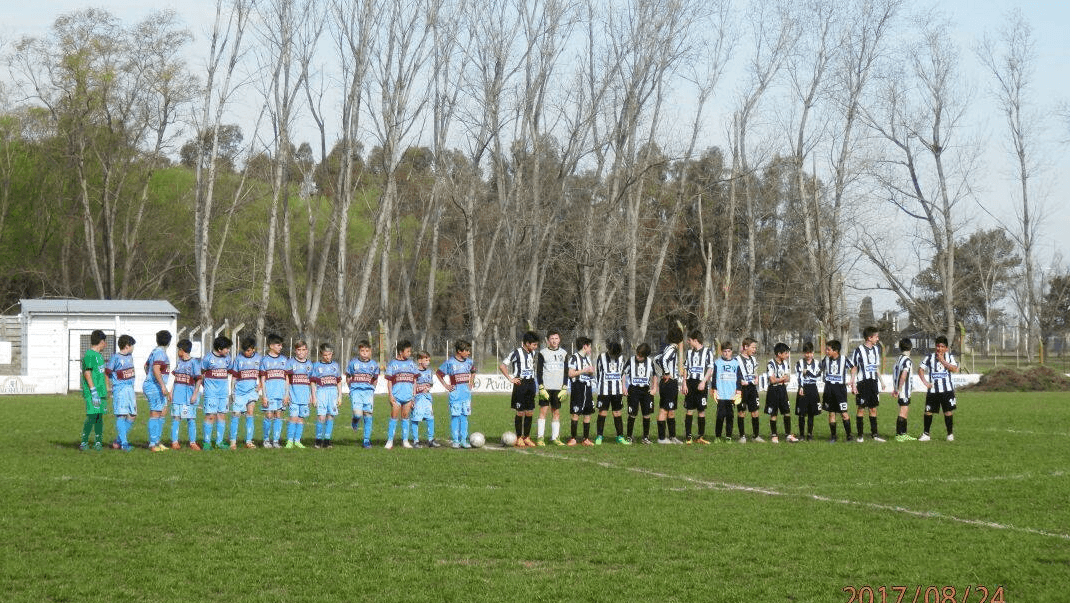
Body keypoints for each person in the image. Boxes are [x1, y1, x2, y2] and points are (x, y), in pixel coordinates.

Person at [500, 330, 540, 447]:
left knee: (530, 411)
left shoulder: (533, 353)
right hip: (520, 384)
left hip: (531, 383)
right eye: (534, 345)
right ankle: (518, 437)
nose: (536, 347)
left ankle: (526, 437)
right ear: (527, 343)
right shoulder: (516, 353)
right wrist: (510, 378)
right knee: (520, 411)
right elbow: (502, 366)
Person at [917, 335, 959, 442]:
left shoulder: (950, 357)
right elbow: (920, 369)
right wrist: (925, 383)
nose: (939, 349)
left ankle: (950, 434)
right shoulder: (929, 357)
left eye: (942, 347)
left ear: (946, 348)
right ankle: (926, 434)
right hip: (933, 391)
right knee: (928, 411)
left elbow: (955, 369)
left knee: (948, 412)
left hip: (947, 390)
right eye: (938, 346)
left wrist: (942, 361)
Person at [849, 326, 885, 442]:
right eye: (876, 337)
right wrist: (853, 384)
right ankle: (860, 436)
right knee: (861, 408)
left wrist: (881, 381)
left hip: (873, 382)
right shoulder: (858, 350)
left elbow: (876, 367)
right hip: (862, 383)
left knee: (873, 408)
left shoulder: (876, 349)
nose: (877, 339)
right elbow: (854, 367)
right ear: (869, 338)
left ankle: (875, 435)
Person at [437, 340, 474, 449]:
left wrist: (471, 382)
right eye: (466, 351)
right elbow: (439, 373)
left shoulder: (469, 362)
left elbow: (473, 371)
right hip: (455, 395)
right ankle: (455, 441)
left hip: (466, 395)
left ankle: (463, 440)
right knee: (455, 417)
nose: (469, 353)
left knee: (464, 418)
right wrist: (446, 385)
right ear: (459, 351)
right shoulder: (450, 363)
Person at [535, 331, 569, 446]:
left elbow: (566, 371)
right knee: (543, 412)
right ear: (548, 340)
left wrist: (564, 387)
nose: (554, 340)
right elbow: (539, 371)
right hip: (546, 388)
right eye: (552, 338)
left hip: (558, 388)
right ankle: (540, 438)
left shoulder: (564, 353)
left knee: (556, 413)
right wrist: (541, 387)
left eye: (556, 338)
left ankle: (555, 438)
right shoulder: (543, 353)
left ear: (559, 339)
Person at [385, 339, 419, 449]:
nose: (410, 353)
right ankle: (390, 440)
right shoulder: (393, 364)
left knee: (405, 417)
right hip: (396, 397)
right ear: (400, 352)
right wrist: (390, 395)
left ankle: (405, 440)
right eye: (407, 351)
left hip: (408, 397)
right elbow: (389, 381)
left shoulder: (412, 364)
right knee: (394, 416)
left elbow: (415, 380)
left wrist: (413, 396)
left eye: (410, 351)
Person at [200, 335, 233, 450]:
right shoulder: (208, 358)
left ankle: (219, 442)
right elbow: (201, 373)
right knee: (210, 416)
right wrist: (205, 386)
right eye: (227, 348)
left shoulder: (227, 358)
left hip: (223, 393)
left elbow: (230, 371)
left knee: (222, 416)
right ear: (219, 349)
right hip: (211, 393)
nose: (228, 351)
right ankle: (206, 443)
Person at [169, 339, 203, 450]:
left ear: (182, 350)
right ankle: (174, 442)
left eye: (178, 350)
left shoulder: (194, 363)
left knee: (190, 419)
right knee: (176, 418)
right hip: (177, 396)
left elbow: (198, 379)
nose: (177, 352)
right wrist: (171, 391)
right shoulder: (179, 362)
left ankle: (192, 442)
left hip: (188, 397)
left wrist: (195, 394)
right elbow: (176, 379)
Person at [105, 334, 137, 451]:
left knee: (132, 415)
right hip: (120, 390)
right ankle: (124, 443)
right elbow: (107, 372)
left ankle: (118, 441)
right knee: (121, 415)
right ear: (127, 346)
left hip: (130, 390)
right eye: (132, 345)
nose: (133, 348)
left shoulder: (130, 356)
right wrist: (108, 387)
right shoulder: (115, 358)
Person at [346, 340, 380, 449]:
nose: (364, 353)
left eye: (367, 351)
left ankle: (366, 440)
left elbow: (375, 378)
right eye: (362, 351)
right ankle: (355, 420)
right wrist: (351, 388)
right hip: (356, 391)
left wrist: (373, 389)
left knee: (368, 414)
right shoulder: (353, 363)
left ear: (370, 352)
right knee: (357, 414)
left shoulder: (374, 364)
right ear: (359, 351)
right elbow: (348, 377)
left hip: (368, 392)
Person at [594, 340, 629, 445]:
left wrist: (623, 387)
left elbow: (622, 373)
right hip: (604, 391)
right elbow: (598, 373)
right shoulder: (601, 357)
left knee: (617, 413)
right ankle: (599, 436)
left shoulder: (621, 358)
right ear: (609, 350)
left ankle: (620, 437)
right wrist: (600, 388)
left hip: (617, 391)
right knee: (602, 412)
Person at [229, 337, 261, 449]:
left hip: (252, 391)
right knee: (236, 414)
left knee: (250, 413)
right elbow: (234, 377)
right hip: (239, 392)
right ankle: (233, 441)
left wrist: (260, 386)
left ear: (253, 349)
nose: (246, 352)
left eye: (248, 350)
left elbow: (262, 375)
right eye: (245, 351)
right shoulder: (238, 359)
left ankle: (249, 441)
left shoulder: (258, 358)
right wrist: (232, 392)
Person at [682, 330, 714, 444]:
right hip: (690, 383)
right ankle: (688, 437)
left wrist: (703, 382)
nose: (688, 342)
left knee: (701, 410)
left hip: (701, 383)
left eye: (690, 340)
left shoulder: (707, 352)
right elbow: (686, 368)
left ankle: (700, 436)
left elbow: (710, 368)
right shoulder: (689, 352)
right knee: (689, 409)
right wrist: (684, 383)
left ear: (695, 340)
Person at [79, 329, 109, 451]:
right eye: (105, 342)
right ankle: (84, 442)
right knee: (91, 416)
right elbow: (87, 373)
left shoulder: (99, 356)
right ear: (101, 342)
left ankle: (98, 442)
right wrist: (93, 391)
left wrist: (106, 388)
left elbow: (101, 373)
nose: (105, 345)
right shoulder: (89, 355)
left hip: (101, 392)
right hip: (93, 393)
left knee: (99, 417)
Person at [143, 330, 172, 452]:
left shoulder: (155, 351)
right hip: (155, 386)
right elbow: (155, 369)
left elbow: (146, 366)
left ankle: (157, 441)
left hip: (157, 386)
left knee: (163, 411)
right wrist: (161, 385)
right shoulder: (160, 353)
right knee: (155, 413)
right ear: (169, 342)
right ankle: (152, 444)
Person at [258, 333, 289, 448]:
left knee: (278, 415)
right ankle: (266, 440)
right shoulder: (264, 360)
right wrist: (264, 395)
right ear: (271, 346)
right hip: (269, 394)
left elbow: (287, 378)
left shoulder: (284, 360)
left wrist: (286, 394)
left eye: (281, 345)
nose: (281, 347)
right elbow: (262, 379)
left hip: (281, 393)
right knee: (269, 415)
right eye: (278, 345)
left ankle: (276, 441)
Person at [621, 343, 656, 444]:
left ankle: (645, 437)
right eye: (637, 354)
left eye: (640, 355)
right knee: (632, 414)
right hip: (634, 390)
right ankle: (629, 436)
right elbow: (623, 373)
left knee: (647, 414)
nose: (638, 356)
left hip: (646, 391)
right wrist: (624, 387)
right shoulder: (631, 360)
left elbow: (654, 375)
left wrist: (654, 388)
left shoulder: (650, 362)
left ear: (645, 356)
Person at [820, 340, 854, 443]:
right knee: (831, 413)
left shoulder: (843, 359)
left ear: (835, 351)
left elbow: (853, 367)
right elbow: (819, 368)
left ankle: (849, 436)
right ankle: (833, 436)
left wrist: (852, 379)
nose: (826, 351)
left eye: (828, 349)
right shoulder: (826, 359)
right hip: (829, 388)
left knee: (844, 413)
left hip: (840, 389)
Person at [311, 343, 343, 449]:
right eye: (325, 355)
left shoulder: (335, 365)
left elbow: (339, 382)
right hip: (321, 392)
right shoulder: (316, 366)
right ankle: (318, 440)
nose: (328, 357)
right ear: (321, 354)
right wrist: (314, 397)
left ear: (332, 353)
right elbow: (313, 383)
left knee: (331, 416)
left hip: (333, 393)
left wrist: (340, 396)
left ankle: (327, 440)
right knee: (321, 416)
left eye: (329, 354)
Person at [566, 336, 596, 446]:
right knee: (576, 413)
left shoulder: (587, 358)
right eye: (590, 347)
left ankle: (586, 439)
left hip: (587, 388)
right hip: (578, 388)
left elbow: (589, 372)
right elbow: (571, 373)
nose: (590, 349)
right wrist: (585, 370)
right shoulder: (574, 358)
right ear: (585, 346)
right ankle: (573, 438)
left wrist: (591, 371)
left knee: (588, 414)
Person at [765, 343, 797, 443]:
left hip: (782, 389)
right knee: (773, 414)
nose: (788, 355)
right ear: (779, 354)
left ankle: (788, 435)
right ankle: (774, 435)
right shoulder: (771, 364)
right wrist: (781, 379)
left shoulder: (785, 364)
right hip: (773, 390)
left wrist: (779, 379)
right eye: (786, 353)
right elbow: (772, 380)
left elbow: (787, 378)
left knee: (787, 412)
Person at [655, 326, 683, 444]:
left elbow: (656, 359)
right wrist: (666, 373)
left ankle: (672, 437)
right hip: (669, 383)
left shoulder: (668, 347)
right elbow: (662, 360)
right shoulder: (671, 348)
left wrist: (660, 373)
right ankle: (661, 438)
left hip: (670, 383)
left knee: (671, 410)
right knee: (664, 410)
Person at [285, 341, 313, 449]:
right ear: (295, 351)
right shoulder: (290, 362)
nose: (301, 352)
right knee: (293, 418)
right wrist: (287, 394)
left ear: (307, 351)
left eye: (303, 350)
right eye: (298, 350)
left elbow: (311, 381)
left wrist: (311, 395)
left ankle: (297, 440)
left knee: (301, 419)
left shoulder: (309, 364)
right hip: (293, 396)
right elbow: (287, 379)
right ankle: (289, 441)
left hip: (305, 397)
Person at [794, 342, 822, 441]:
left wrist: (808, 373)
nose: (808, 355)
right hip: (803, 388)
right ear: (803, 353)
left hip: (813, 388)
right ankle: (801, 435)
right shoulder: (799, 363)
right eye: (806, 353)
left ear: (813, 352)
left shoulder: (817, 363)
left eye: (810, 352)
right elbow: (799, 376)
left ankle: (810, 434)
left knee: (811, 413)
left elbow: (818, 376)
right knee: (801, 413)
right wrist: (801, 387)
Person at [736, 337, 763, 442]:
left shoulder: (753, 359)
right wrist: (740, 382)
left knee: (755, 411)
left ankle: (756, 436)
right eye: (753, 347)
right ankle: (742, 436)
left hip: (752, 388)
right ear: (746, 347)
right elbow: (734, 375)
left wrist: (756, 378)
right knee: (741, 412)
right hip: (742, 389)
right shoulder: (737, 360)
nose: (754, 350)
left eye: (755, 348)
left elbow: (755, 372)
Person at [410, 351, 439, 448]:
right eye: (426, 360)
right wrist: (413, 398)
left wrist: (428, 387)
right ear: (419, 361)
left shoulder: (429, 371)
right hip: (418, 398)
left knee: (430, 418)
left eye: (429, 360)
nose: (428, 362)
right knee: (416, 419)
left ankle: (431, 440)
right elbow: (413, 385)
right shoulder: (415, 372)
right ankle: (415, 441)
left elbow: (431, 383)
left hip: (427, 398)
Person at [712, 342, 739, 442]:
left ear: (731, 352)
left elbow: (738, 378)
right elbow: (714, 378)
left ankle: (728, 437)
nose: (727, 353)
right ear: (721, 352)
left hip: (731, 395)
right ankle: (717, 436)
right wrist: (714, 389)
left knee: (730, 417)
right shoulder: (717, 363)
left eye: (728, 351)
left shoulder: (736, 363)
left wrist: (739, 390)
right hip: (721, 394)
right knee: (720, 416)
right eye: (724, 351)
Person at [891, 338, 917, 441]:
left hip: (902, 390)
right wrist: (899, 389)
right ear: (911, 348)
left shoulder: (898, 359)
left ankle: (903, 433)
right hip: (903, 391)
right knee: (903, 411)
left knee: (905, 410)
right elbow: (903, 375)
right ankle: (899, 434)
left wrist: (895, 388)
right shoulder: (907, 360)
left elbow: (896, 374)